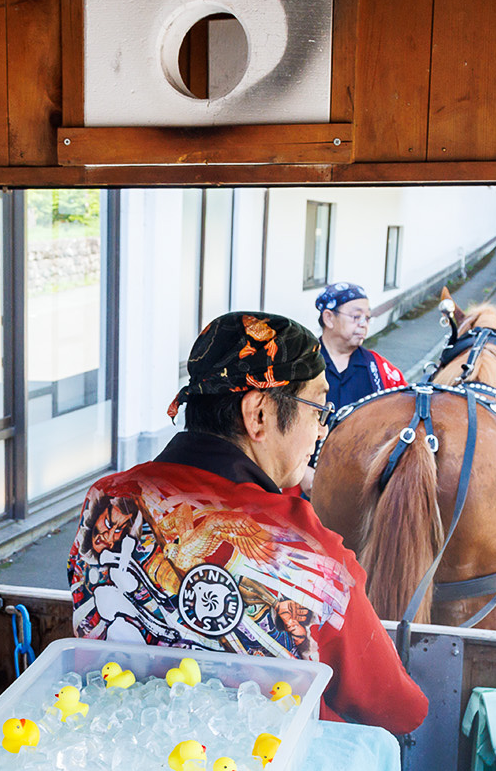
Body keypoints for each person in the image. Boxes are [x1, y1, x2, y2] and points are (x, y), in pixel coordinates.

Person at [66, 312, 429, 734]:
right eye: (318, 409)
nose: (320, 432)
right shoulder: (306, 551)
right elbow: (399, 710)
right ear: (258, 414)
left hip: (114, 743)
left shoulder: (106, 498)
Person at [314, 282, 407, 414]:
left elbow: (406, 408)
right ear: (329, 318)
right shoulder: (303, 364)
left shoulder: (380, 369)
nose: (363, 324)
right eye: (356, 317)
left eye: (367, 318)